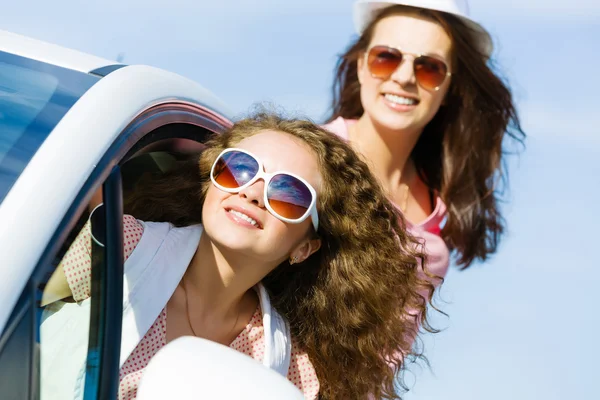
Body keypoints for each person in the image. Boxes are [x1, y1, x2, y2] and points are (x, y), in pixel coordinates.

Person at [41, 112, 434, 400]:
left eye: (287, 193)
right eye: (239, 169)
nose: (251, 192)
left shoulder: (287, 368)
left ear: (305, 247)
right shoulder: (120, 244)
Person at [323, 0, 525, 289]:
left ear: (450, 89)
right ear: (361, 67)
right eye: (386, 58)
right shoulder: (309, 157)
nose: (404, 78)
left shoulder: (437, 213)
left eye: (429, 68)